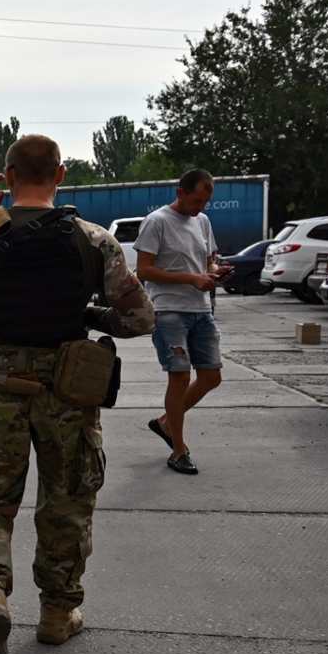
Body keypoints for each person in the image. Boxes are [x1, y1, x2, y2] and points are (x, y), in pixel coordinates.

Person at [0, 134, 155, 654]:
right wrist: (90, 314)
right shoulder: (94, 240)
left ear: (5, 175)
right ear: (61, 174)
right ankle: (57, 611)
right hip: (68, 385)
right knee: (68, 496)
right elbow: (140, 319)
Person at [135, 169, 225, 476]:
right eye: (197, 200)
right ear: (180, 192)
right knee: (180, 377)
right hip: (168, 310)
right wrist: (192, 278)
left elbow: (209, 258)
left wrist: (214, 270)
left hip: (201, 309)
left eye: (206, 202)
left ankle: (165, 423)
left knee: (212, 377)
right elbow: (143, 271)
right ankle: (178, 450)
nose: (201, 207)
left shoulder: (202, 222)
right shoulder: (157, 221)